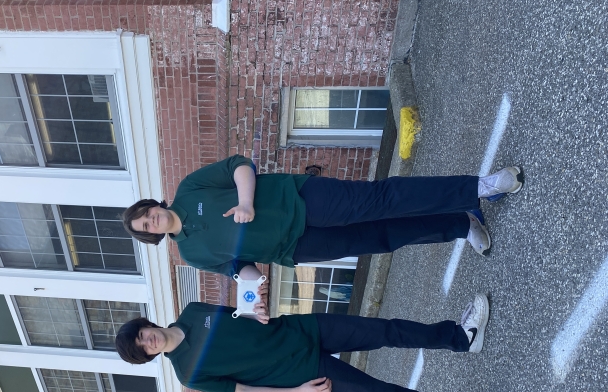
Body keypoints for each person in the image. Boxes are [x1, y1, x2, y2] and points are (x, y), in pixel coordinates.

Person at [115, 293, 494, 392]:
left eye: (142, 334)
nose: (147, 340)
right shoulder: (186, 372)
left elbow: (236, 314)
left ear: (145, 324)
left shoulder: (191, 311)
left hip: (302, 329)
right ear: (147, 356)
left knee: (386, 330)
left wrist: (253, 308)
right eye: (142, 347)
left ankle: (461, 337)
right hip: (303, 371)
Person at [122, 156, 523, 281]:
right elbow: (236, 267)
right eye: (145, 227)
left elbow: (240, 166)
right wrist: (253, 290)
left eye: (146, 214)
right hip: (295, 248)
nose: (151, 220)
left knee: (380, 200)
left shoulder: (190, 189)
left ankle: (479, 188)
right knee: (381, 238)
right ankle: (460, 225)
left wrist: (246, 203)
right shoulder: (190, 253)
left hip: (298, 198)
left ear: (152, 204)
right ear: (151, 237)